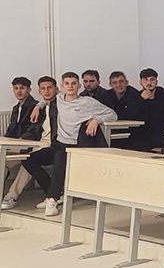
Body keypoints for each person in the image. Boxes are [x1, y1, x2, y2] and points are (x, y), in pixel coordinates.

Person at [24, 72, 118, 217]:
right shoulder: (59, 98)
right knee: (29, 159)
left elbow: (112, 114)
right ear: (62, 86)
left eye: (73, 83)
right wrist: (38, 106)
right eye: (67, 83)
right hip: (60, 144)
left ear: (79, 86)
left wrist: (96, 120)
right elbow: (46, 99)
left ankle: (52, 199)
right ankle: (55, 192)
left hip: (76, 147)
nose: (70, 86)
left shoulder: (87, 102)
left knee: (60, 157)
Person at [0, 77, 41, 208]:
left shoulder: (36, 106)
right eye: (16, 88)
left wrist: (18, 143)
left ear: (29, 89)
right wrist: (5, 142)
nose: (19, 91)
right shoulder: (16, 108)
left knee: (27, 163)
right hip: (15, 145)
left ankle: (12, 196)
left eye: (22, 88)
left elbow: (34, 130)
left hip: (29, 145)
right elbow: (11, 129)